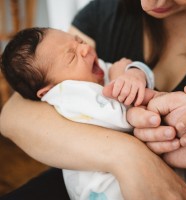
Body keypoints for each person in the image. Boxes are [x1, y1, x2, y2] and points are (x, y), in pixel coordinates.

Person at [0, 0, 186, 199]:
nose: (150, 3)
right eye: (71, 51)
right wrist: (129, 157)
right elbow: (14, 115)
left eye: (78, 44)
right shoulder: (104, 14)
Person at [0, 27, 157, 200]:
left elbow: (140, 79)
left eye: (79, 41)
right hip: (107, 189)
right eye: (72, 56)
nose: (85, 48)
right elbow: (121, 120)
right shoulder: (67, 94)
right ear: (48, 91)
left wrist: (135, 72)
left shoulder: (93, 73)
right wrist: (121, 76)